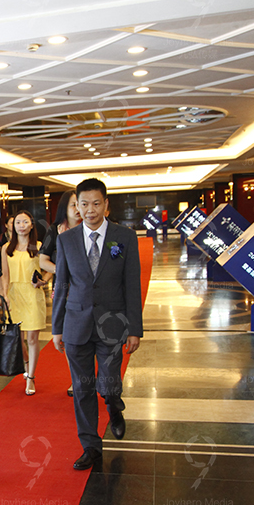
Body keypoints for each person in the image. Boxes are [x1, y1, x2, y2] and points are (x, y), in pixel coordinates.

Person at [51, 178, 143, 471]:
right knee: (82, 388)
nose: (89, 210)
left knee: (109, 383)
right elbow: (61, 285)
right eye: (84, 204)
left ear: (106, 205)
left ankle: (114, 406)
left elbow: (132, 284)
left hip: (112, 324)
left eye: (95, 203)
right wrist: (57, 327)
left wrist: (135, 328)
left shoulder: (124, 237)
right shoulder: (66, 240)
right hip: (76, 324)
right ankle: (90, 445)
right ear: (77, 207)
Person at [0, 210, 48, 395]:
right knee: (18, 340)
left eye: (25, 222)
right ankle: (27, 364)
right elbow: (5, 275)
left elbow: (49, 268)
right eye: (18, 222)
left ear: (31, 225)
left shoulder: (39, 246)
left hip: (33, 295)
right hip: (14, 295)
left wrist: (44, 280)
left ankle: (31, 377)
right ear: (12, 226)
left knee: (32, 339)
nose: (21, 226)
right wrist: (4, 295)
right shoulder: (6, 248)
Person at [40, 189, 80, 396]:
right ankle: (77, 379)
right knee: (69, 336)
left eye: (80, 204)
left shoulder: (90, 228)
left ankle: (89, 376)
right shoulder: (55, 230)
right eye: (73, 204)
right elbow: (42, 260)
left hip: (86, 290)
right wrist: (62, 270)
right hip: (64, 290)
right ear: (65, 207)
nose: (78, 209)